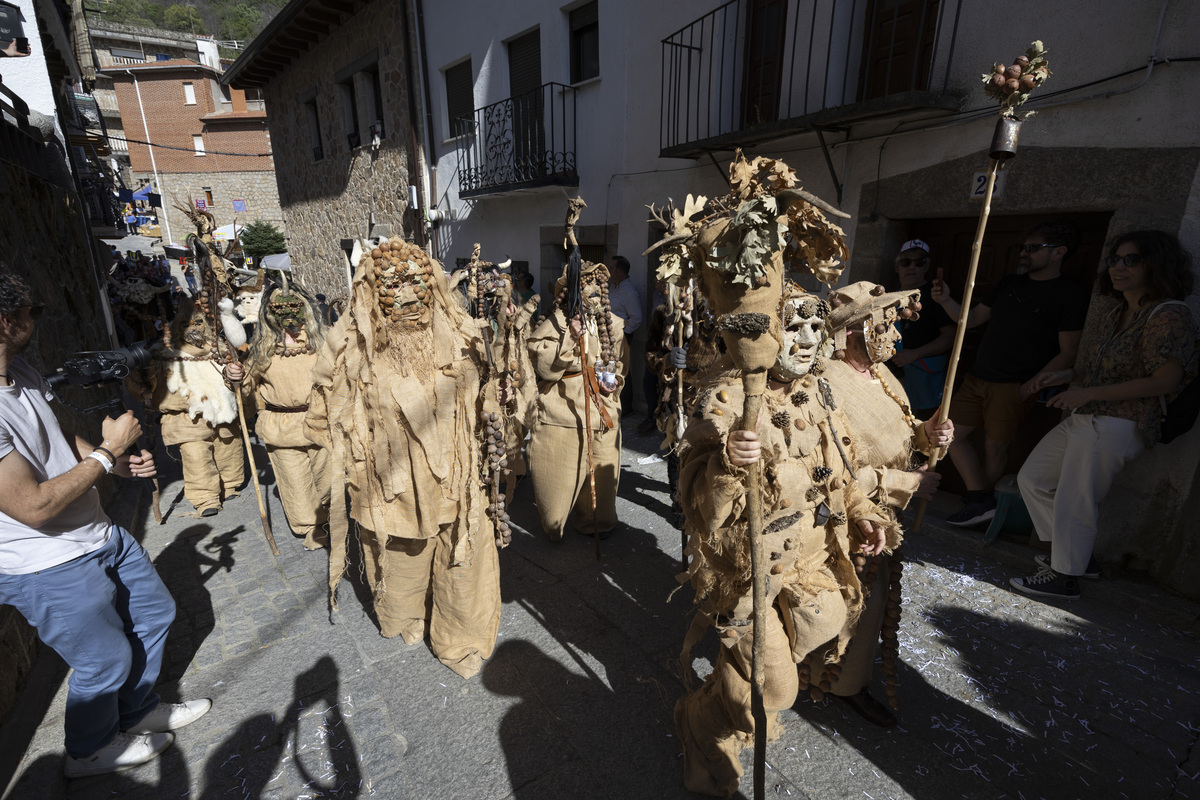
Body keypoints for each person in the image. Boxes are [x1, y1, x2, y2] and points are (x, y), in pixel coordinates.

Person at [673, 284, 897, 797]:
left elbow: (844, 470)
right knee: (776, 688)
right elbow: (702, 508)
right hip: (748, 569)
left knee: (826, 622)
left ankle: (740, 684)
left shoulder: (820, 391)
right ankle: (699, 721)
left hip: (811, 558)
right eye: (793, 327)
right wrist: (730, 460)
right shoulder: (727, 398)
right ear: (768, 334)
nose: (806, 339)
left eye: (816, 328)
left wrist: (861, 512)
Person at [0, 269, 210, 778]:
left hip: (98, 533)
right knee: (104, 659)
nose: (35, 319)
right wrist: (108, 451)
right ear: (3, 320)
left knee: (154, 614)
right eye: (31, 310)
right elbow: (31, 506)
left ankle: (136, 712)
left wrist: (110, 461)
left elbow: (56, 438)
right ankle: (88, 751)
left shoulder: (20, 372)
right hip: (45, 561)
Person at [306, 237, 503, 679]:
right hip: (392, 485)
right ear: (375, 297)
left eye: (418, 285)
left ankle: (459, 636)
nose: (411, 297)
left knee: (462, 556)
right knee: (399, 558)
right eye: (396, 289)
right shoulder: (353, 352)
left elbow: (488, 393)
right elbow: (322, 417)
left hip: (457, 476)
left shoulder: (462, 337)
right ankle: (407, 615)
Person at [1012, 231, 1196, 599]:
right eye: (1115, 259)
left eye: (1132, 260)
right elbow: (1101, 367)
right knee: (1033, 480)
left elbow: (1165, 379)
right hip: (1087, 414)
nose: (1118, 267)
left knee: (1075, 498)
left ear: (1156, 266)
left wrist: (1087, 393)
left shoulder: (1169, 314)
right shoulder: (1118, 311)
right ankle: (1077, 558)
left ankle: (1065, 577)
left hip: (1120, 422)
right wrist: (1065, 376)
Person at [822, 281, 954, 726]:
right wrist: (907, 482)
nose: (897, 335)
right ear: (856, 330)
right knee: (850, 602)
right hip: (844, 519)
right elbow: (831, 471)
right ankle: (834, 682)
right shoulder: (826, 382)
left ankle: (839, 679)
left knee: (870, 603)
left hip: (883, 515)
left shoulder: (880, 372)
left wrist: (927, 434)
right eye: (887, 324)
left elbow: (901, 432)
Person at [931, 221, 1090, 526]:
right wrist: (944, 301)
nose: (1024, 254)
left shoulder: (1071, 294)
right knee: (950, 435)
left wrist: (1029, 387)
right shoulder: (1008, 284)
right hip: (977, 377)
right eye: (1023, 248)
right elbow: (972, 319)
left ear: (1059, 253)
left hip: (1014, 385)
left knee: (995, 446)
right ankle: (980, 500)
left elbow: (1068, 351)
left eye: (1033, 248)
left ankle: (981, 504)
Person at [526, 259, 627, 541]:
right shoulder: (555, 323)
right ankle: (556, 525)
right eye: (586, 284)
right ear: (572, 292)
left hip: (603, 414)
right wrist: (570, 336)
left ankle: (597, 522)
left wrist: (613, 380)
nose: (593, 290)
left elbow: (621, 365)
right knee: (556, 501)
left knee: (603, 484)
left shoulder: (612, 324)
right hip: (564, 414)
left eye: (598, 285)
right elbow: (543, 367)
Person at [224, 286, 330, 550]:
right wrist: (234, 377)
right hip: (282, 427)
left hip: (322, 423)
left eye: (292, 306)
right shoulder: (264, 349)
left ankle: (332, 518)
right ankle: (311, 527)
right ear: (269, 313)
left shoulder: (323, 342)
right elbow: (246, 385)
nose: (287, 314)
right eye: (279, 308)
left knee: (329, 479)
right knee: (295, 483)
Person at [132, 299, 245, 517]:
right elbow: (145, 386)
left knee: (228, 448)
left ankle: (229, 485)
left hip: (222, 412)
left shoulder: (220, 349)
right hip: (186, 419)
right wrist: (141, 373)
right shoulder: (163, 356)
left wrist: (237, 376)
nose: (193, 328)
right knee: (197, 457)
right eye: (186, 325)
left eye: (198, 323)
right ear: (176, 329)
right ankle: (205, 498)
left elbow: (238, 377)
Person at [887, 239, 955, 419]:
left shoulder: (937, 297)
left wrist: (915, 354)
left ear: (926, 267)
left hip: (923, 377)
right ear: (897, 267)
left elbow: (950, 337)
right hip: (892, 375)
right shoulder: (887, 296)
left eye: (919, 262)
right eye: (906, 262)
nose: (912, 266)